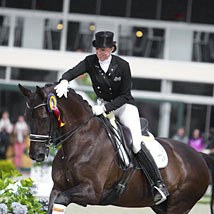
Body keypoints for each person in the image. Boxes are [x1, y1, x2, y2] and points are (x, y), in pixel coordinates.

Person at [54, 31, 169, 203]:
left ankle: (158, 183)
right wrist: (64, 81)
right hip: (101, 105)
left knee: (136, 144)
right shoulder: (90, 62)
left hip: (123, 107)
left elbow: (125, 95)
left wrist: (105, 108)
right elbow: (72, 72)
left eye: (105, 50)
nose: (101, 53)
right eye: (99, 50)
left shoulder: (123, 65)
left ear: (112, 49)